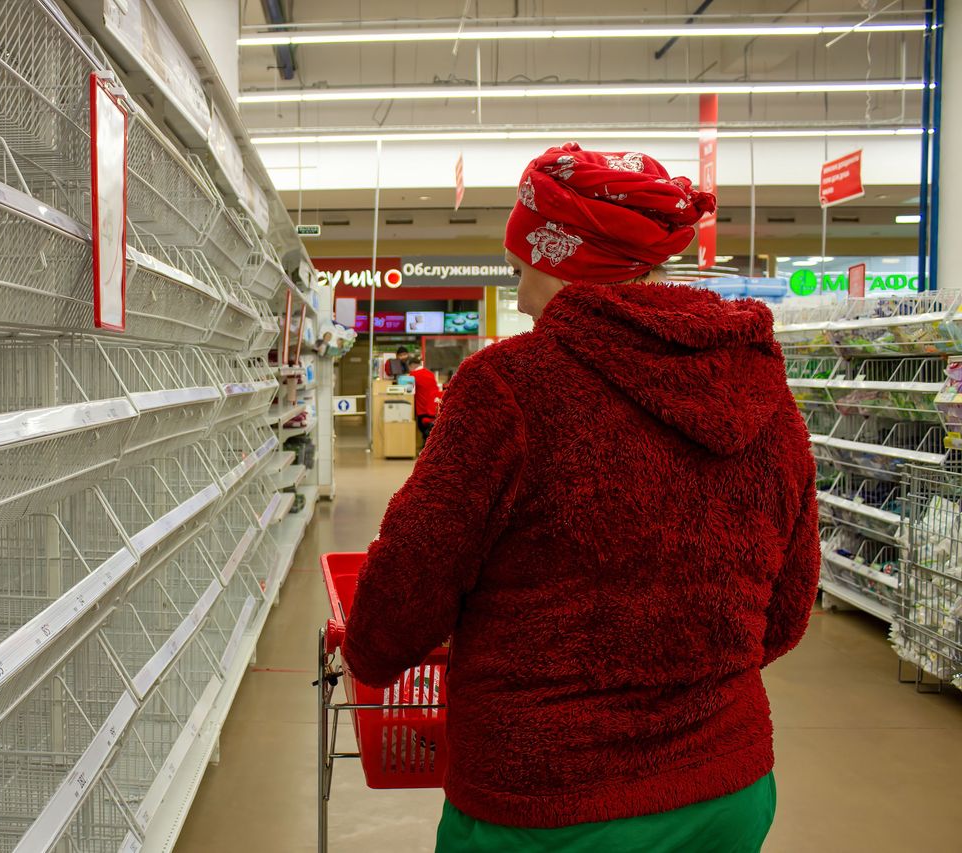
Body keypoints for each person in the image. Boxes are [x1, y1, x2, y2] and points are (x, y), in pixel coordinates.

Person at [341, 142, 818, 853]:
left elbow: (409, 583)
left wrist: (370, 649)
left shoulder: (509, 388)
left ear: (556, 256)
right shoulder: (764, 394)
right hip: (727, 788)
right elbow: (784, 613)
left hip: (546, 803)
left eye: (519, 263)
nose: (520, 287)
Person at [406, 356, 442, 441]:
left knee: (422, 428)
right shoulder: (430, 373)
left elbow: (408, 390)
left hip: (422, 408)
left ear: (412, 366)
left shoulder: (413, 375)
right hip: (434, 407)